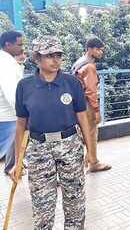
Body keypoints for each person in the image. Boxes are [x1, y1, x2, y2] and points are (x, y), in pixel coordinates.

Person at [11, 36, 97, 229]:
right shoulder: (24, 86)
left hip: (70, 146)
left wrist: (91, 152)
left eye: (58, 55)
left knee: (75, 204)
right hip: (38, 150)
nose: (56, 60)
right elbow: (20, 125)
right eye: (50, 55)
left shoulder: (71, 83)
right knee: (42, 208)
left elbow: (83, 118)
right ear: (37, 58)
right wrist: (18, 161)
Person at [71, 37, 111, 172]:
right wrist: (96, 110)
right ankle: (93, 162)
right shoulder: (89, 66)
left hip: (76, 103)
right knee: (91, 131)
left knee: (83, 131)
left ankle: (88, 159)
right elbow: (91, 91)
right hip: (86, 103)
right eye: (98, 49)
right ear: (90, 49)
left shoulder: (79, 63)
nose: (101, 52)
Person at [0, 30, 24, 176]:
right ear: (8, 45)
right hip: (6, 118)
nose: (22, 48)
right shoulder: (6, 63)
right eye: (19, 44)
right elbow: (11, 93)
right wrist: (24, 113)